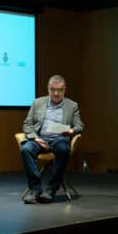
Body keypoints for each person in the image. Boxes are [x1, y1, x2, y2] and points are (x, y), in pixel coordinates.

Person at [20, 75, 84, 204]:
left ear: (64, 90)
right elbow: (27, 124)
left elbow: (80, 126)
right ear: (48, 89)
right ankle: (36, 189)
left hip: (58, 139)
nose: (56, 93)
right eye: (53, 90)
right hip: (39, 138)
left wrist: (72, 130)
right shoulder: (37, 103)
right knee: (26, 149)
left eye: (59, 90)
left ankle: (51, 189)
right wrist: (35, 138)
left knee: (63, 149)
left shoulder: (72, 105)